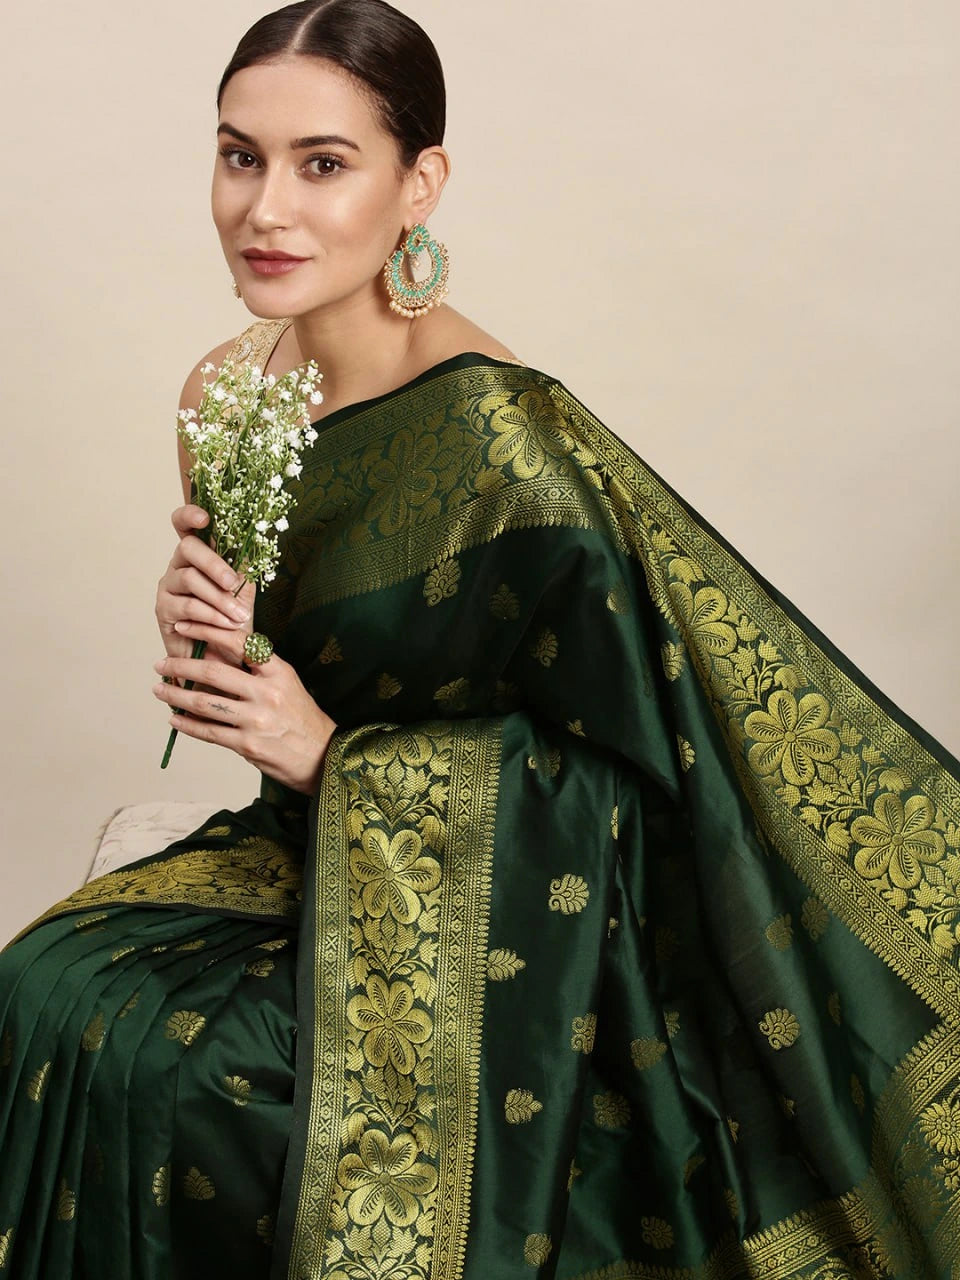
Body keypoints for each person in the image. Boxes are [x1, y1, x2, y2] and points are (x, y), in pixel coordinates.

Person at [1, 0, 958, 1276]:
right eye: (240, 156)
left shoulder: (503, 444)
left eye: (323, 164)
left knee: (216, 1080)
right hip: (315, 857)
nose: (265, 209)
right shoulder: (221, 392)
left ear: (419, 185)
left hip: (508, 909)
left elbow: (630, 779)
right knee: (46, 986)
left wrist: (335, 754)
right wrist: (209, 637)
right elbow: (275, 668)